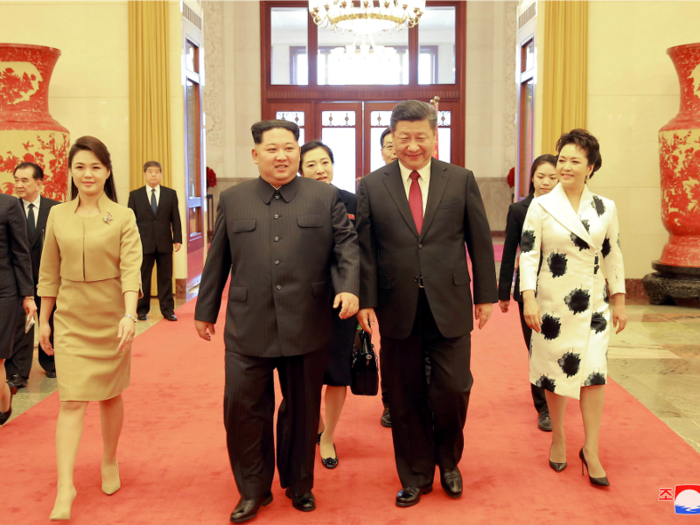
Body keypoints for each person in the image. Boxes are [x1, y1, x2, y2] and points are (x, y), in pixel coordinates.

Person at [194, 120, 359, 523]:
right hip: (248, 323)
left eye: (289, 148)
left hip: (308, 320)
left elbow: (346, 247)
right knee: (242, 408)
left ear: (298, 152)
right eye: (272, 149)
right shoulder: (234, 200)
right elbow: (218, 260)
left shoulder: (324, 197)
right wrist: (205, 310)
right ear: (255, 155)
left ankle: (299, 483)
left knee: (302, 410)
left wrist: (349, 286)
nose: (282, 156)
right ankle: (253, 490)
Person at [356, 100, 498, 507]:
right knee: (404, 393)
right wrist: (366, 299)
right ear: (392, 138)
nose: (413, 146)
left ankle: (448, 462)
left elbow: (479, 240)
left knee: (452, 389)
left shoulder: (460, 179)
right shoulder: (372, 184)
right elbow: (365, 249)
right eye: (405, 138)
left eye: (421, 137)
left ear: (434, 137)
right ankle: (415, 473)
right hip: (396, 304)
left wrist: (485, 294)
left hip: (449, 301)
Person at [38, 136, 143, 520]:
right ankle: (65, 485)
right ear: (70, 172)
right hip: (70, 318)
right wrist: (44, 322)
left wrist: (129, 315)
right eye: (80, 166)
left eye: (96, 167)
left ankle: (109, 458)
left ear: (107, 171)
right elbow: (48, 272)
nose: (88, 174)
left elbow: (131, 269)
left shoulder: (123, 216)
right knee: (71, 401)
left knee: (110, 395)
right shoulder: (57, 216)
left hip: (111, 318)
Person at [520, 129, 626, 486]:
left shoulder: (605, 207)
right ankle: (560, 437)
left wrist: (620, 301)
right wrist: (529, 297)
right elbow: (529, 252)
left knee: (595, 374)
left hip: (593, 306)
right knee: (555, 372)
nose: (565, 166)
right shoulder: (542, 204)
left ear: (591, 167)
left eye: (574, 161)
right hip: (553, 305)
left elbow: (613, 254)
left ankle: (591, 449)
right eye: (561, 159)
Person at [298, 140, 356, 470]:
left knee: (337, 373)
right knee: (303, 374)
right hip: (301, 302)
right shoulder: (291, 201)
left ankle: (329, 435)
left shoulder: (351, 201)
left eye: (325, 163)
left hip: (342, 300)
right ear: (300, 169)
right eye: (311, 165)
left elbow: (362, 252)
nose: (320, 170)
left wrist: (362, 299)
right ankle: (316, 426)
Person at [498, 154, 558, 432]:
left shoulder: (568, 209)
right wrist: (503, 292)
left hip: (561, 290)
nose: (546, 182)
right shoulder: (519, 210)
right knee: (535, 349)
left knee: (555, 347)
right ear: (531, 177)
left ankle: (557, 394)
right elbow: (509, 252)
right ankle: (543, 407)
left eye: (552, 177)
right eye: (540, 176)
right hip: (528, 290)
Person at [5, 162, 60, 388]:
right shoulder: (8, 207)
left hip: (47, 276)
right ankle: (19, 372)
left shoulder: (55, 209)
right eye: (16, 179)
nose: (19, 185)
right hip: (19, 278)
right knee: (22, 324)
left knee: (52, 319)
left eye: (24, 180)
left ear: (39, 183)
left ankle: (52, 363)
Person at [128, 161, 182, 322]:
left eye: (156, 171)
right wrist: (131, 241)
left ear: (161, 174)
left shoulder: (170, 194)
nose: (153, 174)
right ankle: (142, 310)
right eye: (150, 171)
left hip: (164, 242)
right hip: (143, 243)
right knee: (143, 277)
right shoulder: (135, 195)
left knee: (165, 277)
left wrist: (177, 239)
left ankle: (168, 310)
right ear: (144, 174)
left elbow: (176, 218)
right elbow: (131, 221)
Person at [0, 193, 36, 425]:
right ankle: (5, 394)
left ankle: (3, 403)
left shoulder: (8, 205)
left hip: (4, 291)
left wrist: (28, 295)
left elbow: (21, 253)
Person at [377, 127, 397, 428]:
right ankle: (391, 402)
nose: (394, 150)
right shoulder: (373, 187)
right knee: (392, 349)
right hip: (388, 287)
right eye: (389, 145)